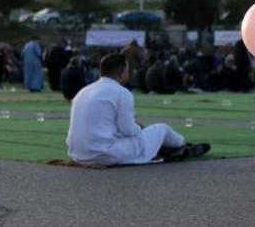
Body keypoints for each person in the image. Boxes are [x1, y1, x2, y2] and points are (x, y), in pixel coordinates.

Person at [66, 54, 210, 166]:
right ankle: (182, 145)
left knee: (139, 134)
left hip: (79, 153)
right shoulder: (121, 92)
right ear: (122, 73)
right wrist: (137, 127)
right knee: (162, 129)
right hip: (105, 154)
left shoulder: (83, 91)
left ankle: (168, 147)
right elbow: (128, 131)